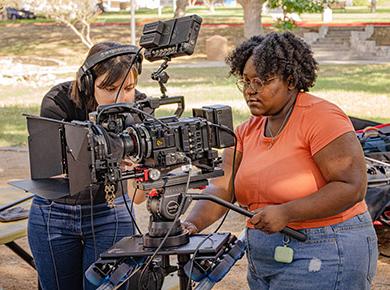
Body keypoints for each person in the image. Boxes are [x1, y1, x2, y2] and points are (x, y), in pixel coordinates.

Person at [183, 32, 378, 289]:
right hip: (266, 256)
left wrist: (286, 212)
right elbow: (221, 187)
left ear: (290, 80)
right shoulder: (245, 131)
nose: (251, 90)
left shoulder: (321, 117)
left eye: (262, 81)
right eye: (246, 81)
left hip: (325, 250)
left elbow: (351, 186)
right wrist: (191, 224)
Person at [28, 41, 146, 290]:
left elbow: (139, 197)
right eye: (109, 88)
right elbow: (53, 169)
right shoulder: (58, 101)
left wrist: (140, 169)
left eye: (128, 88)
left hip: (112, 211)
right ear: (86, 83)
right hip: (54, 212)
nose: (119, 98)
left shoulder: (141, 109)